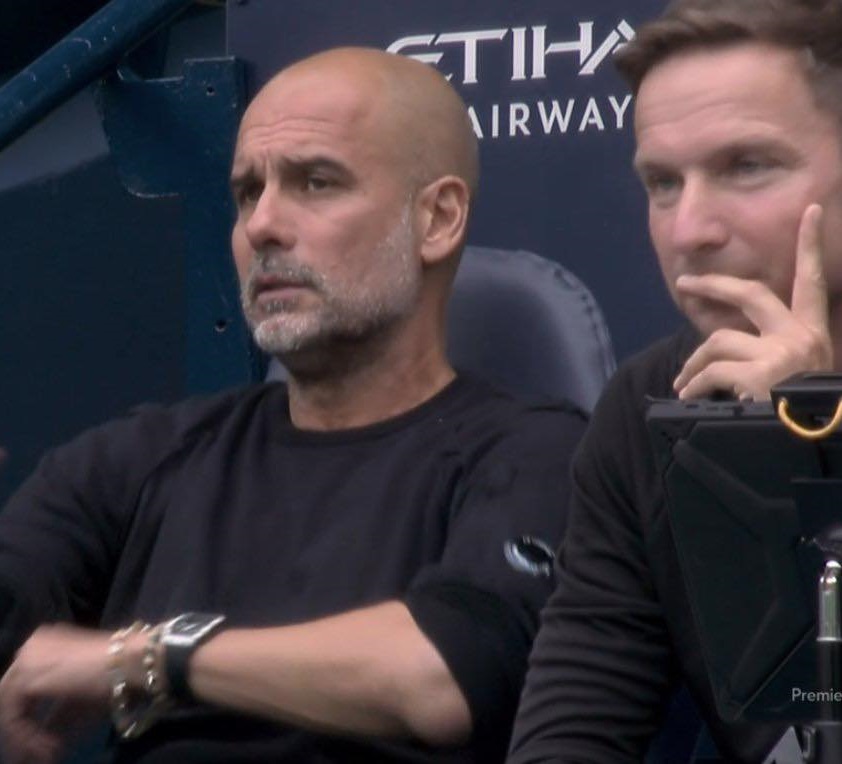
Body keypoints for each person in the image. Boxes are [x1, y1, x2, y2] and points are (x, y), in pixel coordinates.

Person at [0, 48, 586, 763]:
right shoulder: (145, 456)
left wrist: (152, 658)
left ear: (437, 219)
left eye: (316, 182)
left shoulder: (534, 454)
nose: (263, 225)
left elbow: (442, 673)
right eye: (249, 192)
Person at [507, 0, 842, 761]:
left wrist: (816, 439)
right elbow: (575, 724)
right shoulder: (653, 400)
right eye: (662, 183)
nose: (689, 230)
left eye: (747, 166)